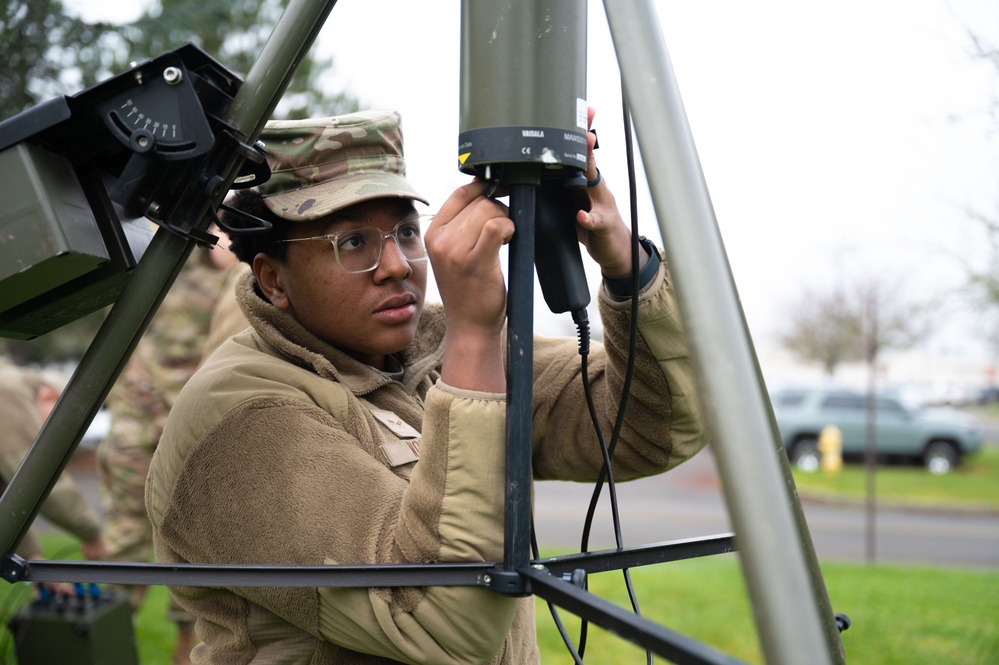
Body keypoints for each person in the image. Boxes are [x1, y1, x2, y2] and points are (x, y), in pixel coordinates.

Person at [145, 108, 708, 664]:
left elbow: (655, 428)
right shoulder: (243, 415)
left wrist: (626, 265)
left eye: (406, 232)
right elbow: (443, 624)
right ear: (274, 280)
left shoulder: (427, 348)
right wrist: (477, 340)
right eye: (354, 243)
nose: (396, 265)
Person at [97, 229, 247, 665]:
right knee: (120, 558)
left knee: (193, 576)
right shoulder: (136, 245)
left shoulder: (223, 255)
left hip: (190, 430)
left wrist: (230, 250)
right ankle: (103, 645)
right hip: (136, 424)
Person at [0, 358, 108, 567]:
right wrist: (91, 532)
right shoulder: (8, 389)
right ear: (51, 396)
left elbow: (7, 491)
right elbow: (32, 476)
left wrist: (29, 556)